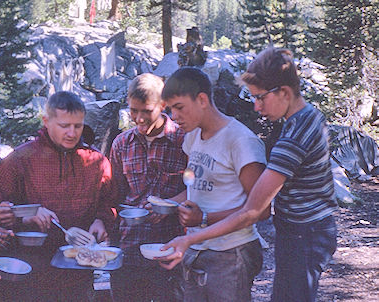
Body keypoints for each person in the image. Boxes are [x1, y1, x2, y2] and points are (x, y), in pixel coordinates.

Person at [161, 48, 338, 302]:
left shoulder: (295, 134)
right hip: (301, 230)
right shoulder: (306, 118)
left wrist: (193, 235)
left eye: (260, 98)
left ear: (284, 93)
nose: (256, 107)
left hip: (305, 235)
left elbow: (254, 210)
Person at [0, 91, 116, 301]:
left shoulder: (96, 161)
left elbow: (109, 201)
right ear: (46, 121)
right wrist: (28, 214)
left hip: (80, 262)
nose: (72, 133)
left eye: (77, 126)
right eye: (64, 126)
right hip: (33, 262)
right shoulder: (22, 158)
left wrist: (101, 220)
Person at [153, 67, 267, 302]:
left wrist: (203, 218)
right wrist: (165, 205)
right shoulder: (192, 137)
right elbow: (198, 187)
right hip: (197, 249)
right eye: (170, 109)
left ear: (202, 99)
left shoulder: (241, 141)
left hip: (232, 252)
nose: (174, 116)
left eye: (179, 108)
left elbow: (260, 209)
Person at [109, 73, 187, 302]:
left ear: (163, 105)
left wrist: (171, 204)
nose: (139, 118)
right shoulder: (122, 143)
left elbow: (198, 188)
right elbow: (114, 194)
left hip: (170, 247)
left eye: (146, 111)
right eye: (134, 111)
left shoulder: (184, 140)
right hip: (129, 246)